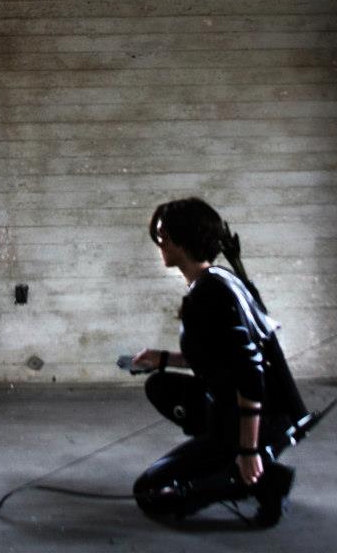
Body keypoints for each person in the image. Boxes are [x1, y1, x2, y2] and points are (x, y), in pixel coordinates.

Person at [131, 197, 297, 527]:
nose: (160, 243)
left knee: (149, 492)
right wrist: (162, 359)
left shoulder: (208, 295)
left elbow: (250, 373)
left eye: (164, 236)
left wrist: (248, 451)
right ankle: (223, 456)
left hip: (256, 421)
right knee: (161, 385)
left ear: (182, 241)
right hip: (244, 410)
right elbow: (220, 357)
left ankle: (260, 478)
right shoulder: (219, 279)